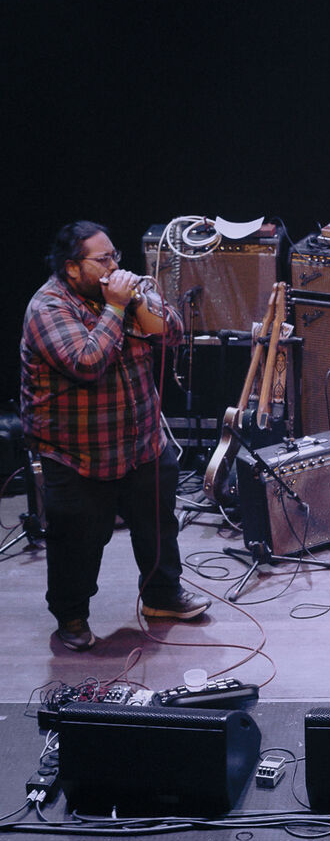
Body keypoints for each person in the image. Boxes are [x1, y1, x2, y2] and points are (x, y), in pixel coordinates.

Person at [21, 221, 211, 652]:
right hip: (77, 454)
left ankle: (162, 596)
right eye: (102, 259)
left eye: (115, 256)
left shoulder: (129, 293)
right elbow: (86, 362)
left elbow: (173, 332)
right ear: (73, 268)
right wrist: (115, 309)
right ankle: (71, 616)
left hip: (142, 443)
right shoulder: (48, 308)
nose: (113, 266)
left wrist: (139, 301)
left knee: (158, 527)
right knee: (77, 542)